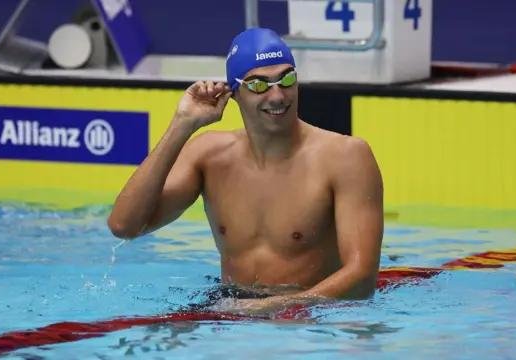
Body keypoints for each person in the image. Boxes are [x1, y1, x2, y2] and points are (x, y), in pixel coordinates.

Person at [107, 28, 384, 314]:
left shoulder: (345, 156)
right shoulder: (210, 155)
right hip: (232, 308)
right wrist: (181, 126)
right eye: (258, 85)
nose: (277, 95)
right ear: (234, 93)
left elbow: (362, 279)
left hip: (310, 316)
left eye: (286, 79)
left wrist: (272, 307)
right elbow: (124, 226)